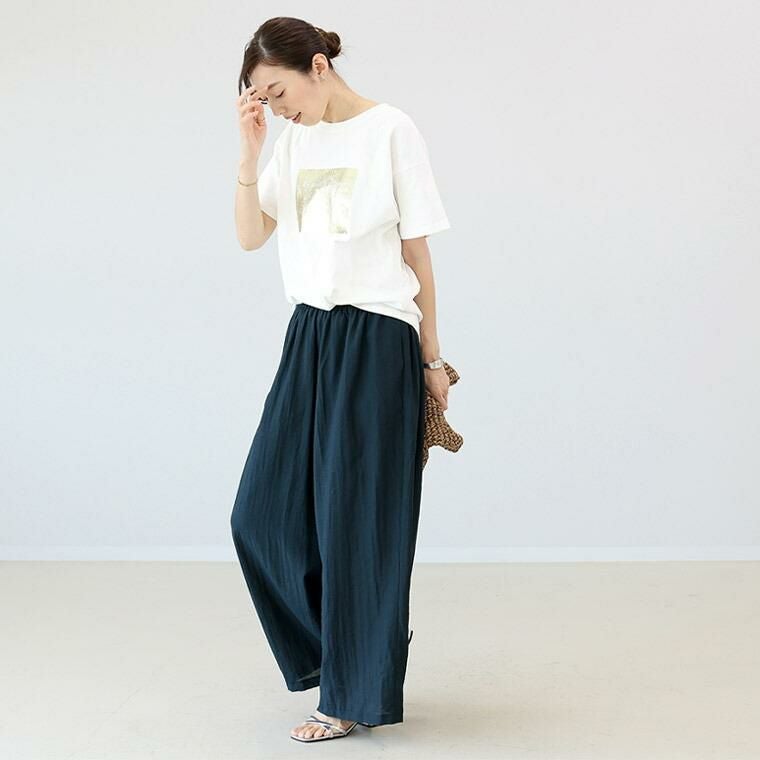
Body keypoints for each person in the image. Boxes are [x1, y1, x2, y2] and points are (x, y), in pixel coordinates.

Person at [230, 16, 452, 743]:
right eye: (261, 97)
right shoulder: (292, 141)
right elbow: (251, 235)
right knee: (261, 515)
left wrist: (431, 359)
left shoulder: (391, 130)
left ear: (318, 66)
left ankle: (350, 692)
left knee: (358, 521)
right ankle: (350, 655)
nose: (275, 107)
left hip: (377, 335)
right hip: (310, 335)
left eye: (278, 91)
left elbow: (417, 255)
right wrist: (250, 152)